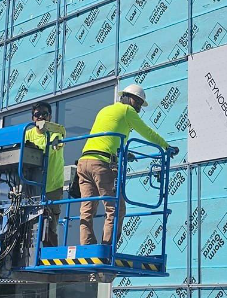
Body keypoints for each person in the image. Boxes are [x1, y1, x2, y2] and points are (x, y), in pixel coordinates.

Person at [77, 84, 177, 247]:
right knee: (115, 209)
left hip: (84, 161)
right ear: (125, 98)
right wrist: (166, 146)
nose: (137, 108)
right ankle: (107, 250)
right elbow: (147, 132)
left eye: (139, 105)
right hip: (102, 164)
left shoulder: (105, 110)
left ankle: (86, 247)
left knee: (87, 210)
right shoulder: (127, 111)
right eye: (136, 102)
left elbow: (107, 136)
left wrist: (122, 152)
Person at [23, 100, 66, 246]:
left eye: (44, 114)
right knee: (28, 224)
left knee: (50, 225)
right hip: (32, 187)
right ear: (32, 118)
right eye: (37, 114)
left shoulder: (57, 132)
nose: (41, 117)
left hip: (52, 186)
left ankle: (50, 256)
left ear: (50, 116)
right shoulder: (27, 134)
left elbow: (56, 143)